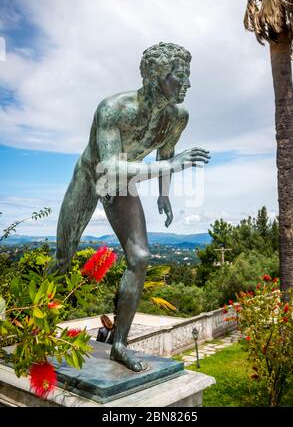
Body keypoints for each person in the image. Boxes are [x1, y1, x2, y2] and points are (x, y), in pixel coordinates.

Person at [56, 42, 210, 371]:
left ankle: (119, 343)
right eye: (179, 76)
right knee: (63, 258)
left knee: (140, 258)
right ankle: (27, 324)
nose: (187, 84)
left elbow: (165, 154)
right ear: (155, 77)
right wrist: (171, 169)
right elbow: (109, 168)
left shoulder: (177, 117)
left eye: (187, 76)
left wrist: (164, 194)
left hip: (123, 184)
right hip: (91, 177)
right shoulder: (113, 108)